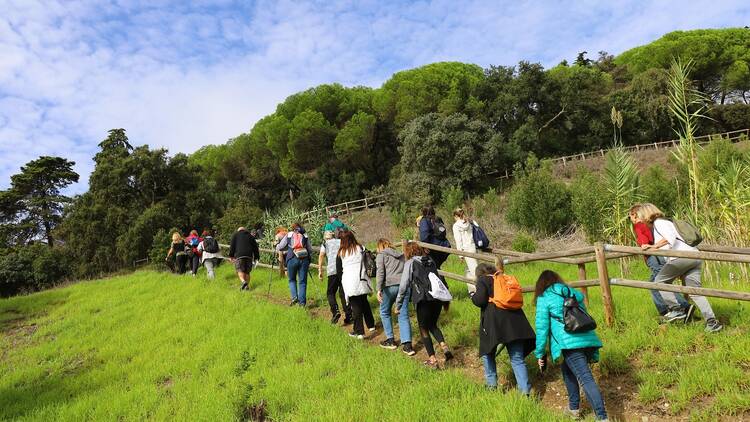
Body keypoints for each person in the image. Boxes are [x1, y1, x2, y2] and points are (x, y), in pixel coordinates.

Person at [534, 270, 608, 421]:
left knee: (586, 378)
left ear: (541, 284)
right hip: (586, 338)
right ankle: (574, 409)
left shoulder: (545, 297)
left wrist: (540, 353)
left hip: (568, 342)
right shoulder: (572, 293)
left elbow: (542, 328)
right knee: (567, 371)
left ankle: (602, 417)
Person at [640, 203, 723, 332]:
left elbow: (670, 239)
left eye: (641, 217)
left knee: (659, 282)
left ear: (646, 214)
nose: (641, 221)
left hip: (682, 257)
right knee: (695, 291)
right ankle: (712, 323)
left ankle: (677, 310)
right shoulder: (666, 221)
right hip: (694, 256)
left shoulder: (659, 222)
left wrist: (653, 246)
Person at [471, 263, 535, 393]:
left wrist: (473, 295)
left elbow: (480, 300)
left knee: (487, 353)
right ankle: (525, 391)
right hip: (515, 321)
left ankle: (491, 385)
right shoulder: (504, 278)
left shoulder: (483, 280)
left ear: (479, 273)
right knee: (517, 358)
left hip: (494, 323)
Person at [396, 242, 453, 368]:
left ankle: (433, 360)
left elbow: (404, 285)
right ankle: (444, 347)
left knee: (423, 328)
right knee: (432, 324)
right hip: (437, 298)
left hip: (423, 299)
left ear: (408, 252)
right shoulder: (430, 261)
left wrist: (398, 304)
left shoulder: (410, 263)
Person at [629, 204, 691, 317]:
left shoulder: (638, 225)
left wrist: (643, 245)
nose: (631, 220)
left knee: (658, 283)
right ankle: (670, 309)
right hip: (661, 255)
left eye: (630, 217)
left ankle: (679, 307)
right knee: (656, 283)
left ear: (634, 215)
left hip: (654, 257)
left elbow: (644, 241)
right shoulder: (650, 224)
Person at [375, 238, 414, 355]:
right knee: (403, 315)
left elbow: (380, 272)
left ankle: (390, 340)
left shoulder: (381, 255)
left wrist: (378, 289)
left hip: (389, 287)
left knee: (384, 311)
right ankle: (407, 346)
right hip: (403, 286)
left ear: (379, 247)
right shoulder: (401, 255)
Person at [337, 230, 375, 339]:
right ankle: (371, 325)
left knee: (356, 307)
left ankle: (359, 332)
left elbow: (339, 270)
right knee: (364, 302)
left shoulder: (341, 253)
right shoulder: (361, 248)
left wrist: (342, 282)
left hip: (350, 282)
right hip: (362, 279)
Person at [318, 230, 352, 324]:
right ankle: (349, 315)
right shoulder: (340, 241)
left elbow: (321, 256)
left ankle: (335, 311)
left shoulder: (325, 244)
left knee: (330, 292)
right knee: (343, 292)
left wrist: (320, 270)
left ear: (326, 237)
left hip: (332, 270)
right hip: (343, 269)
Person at [276, 223, 314, 306]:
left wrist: (277, 245)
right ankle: (302, 303)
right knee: (303, 282)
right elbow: (310, 249)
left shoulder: (289, 235)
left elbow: (280, 246)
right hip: (304, 259)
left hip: (292, 258)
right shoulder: (305, 235)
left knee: (292, 280)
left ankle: (294, 297)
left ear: (293, 228)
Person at [453, 208, 478, 295]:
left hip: (465, 249)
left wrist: (460, 254)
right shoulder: (469, 222)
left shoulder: (456, 226)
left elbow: (458, 241)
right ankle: (472, 290)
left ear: (456, 216)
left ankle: (479, 291)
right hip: (472, 247)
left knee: (474, 271)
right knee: (470, 270)